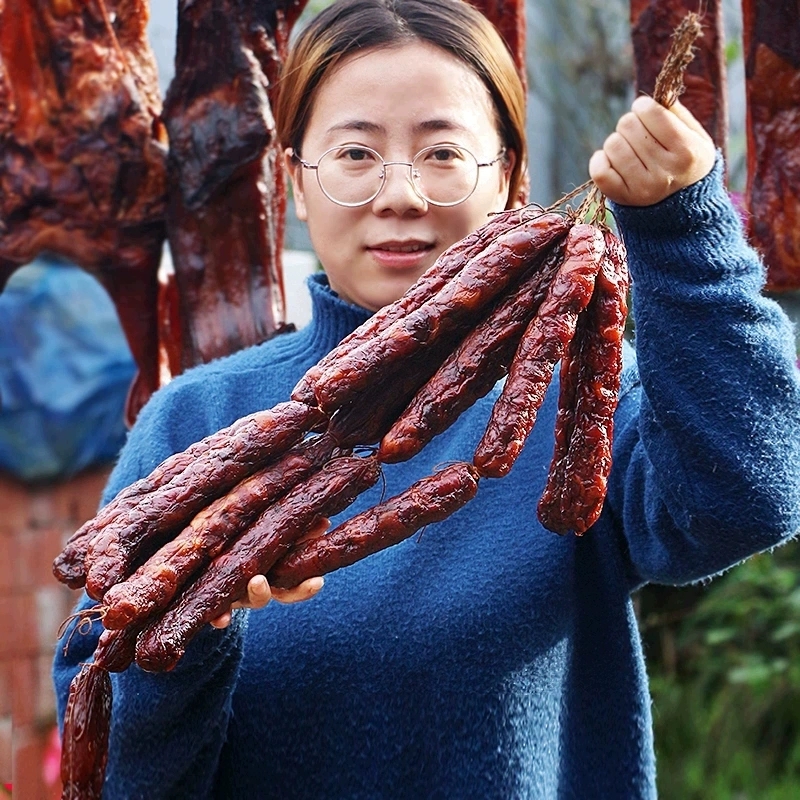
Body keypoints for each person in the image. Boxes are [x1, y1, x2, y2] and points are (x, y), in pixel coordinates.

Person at [53, 1, 800, 797]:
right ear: (295, 182)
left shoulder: (584, 393)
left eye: (443, 152)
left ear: (510, 177)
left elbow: (749, 495)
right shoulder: (196, 422)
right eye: (355, 152)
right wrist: (193, 630)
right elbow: (114, 774)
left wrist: (683, 230)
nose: (400, 194)